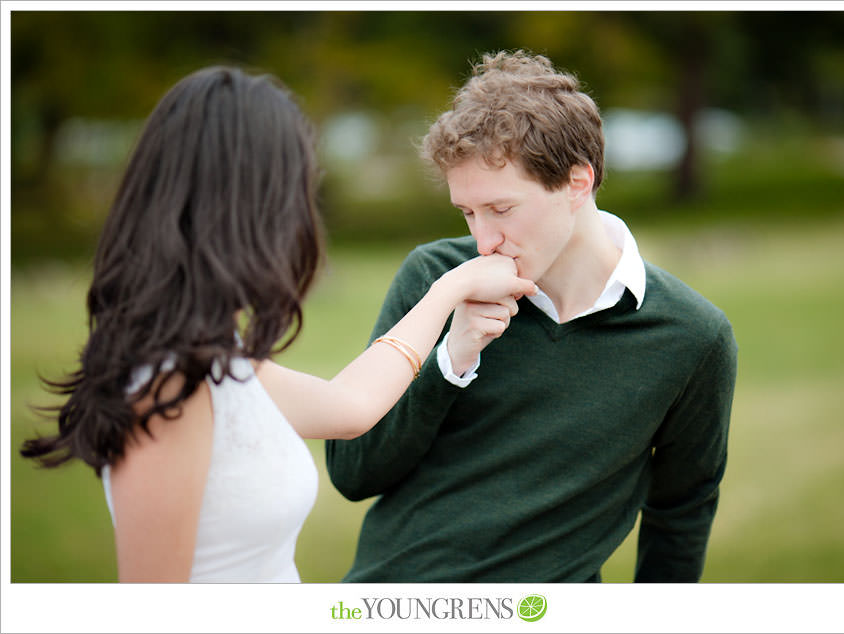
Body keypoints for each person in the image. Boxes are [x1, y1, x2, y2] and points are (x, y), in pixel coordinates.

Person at [19, 66, 536, 583]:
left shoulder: (212, 361)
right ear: (251, 206)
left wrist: (450, 289)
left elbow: (349, 408)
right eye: (295, 191)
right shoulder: (171, 385)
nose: (302, 217)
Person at [325, 50, 738, 583]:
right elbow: (354, 474)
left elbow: (682, 512)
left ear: (577, 183)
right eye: (468, 213)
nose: (484, 240)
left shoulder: (691, 337)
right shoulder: (437, 278)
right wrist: (451, 360)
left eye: (501, 209)